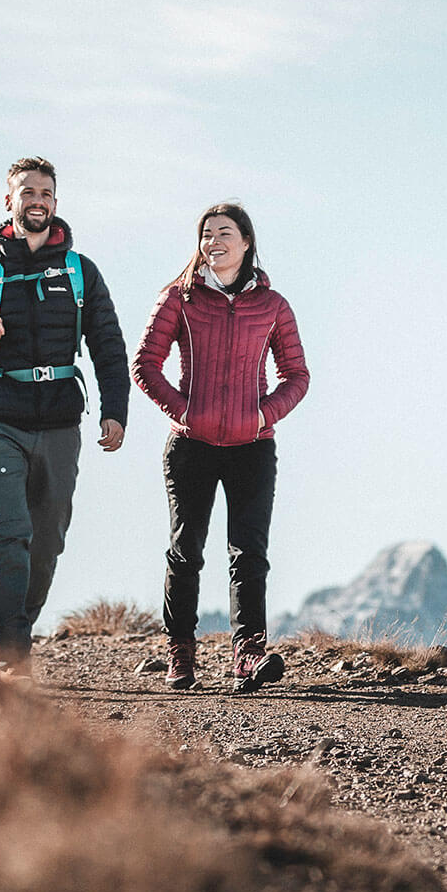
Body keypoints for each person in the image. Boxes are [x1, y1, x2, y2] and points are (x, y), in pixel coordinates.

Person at [0, 158, 129, 677]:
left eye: (45, 192)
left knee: (47, 540)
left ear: (55, 203)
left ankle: (19, 626)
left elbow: (107, 346)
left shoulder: (81, 271)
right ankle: (11, 654)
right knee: (7, 531)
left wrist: (115, 412)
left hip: (61, 421)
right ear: (8, 201)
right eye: (26, 192)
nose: (36, 200)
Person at [133, 201, 309, 693]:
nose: (214, 242)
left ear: (247, 242)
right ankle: (180, 654)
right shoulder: (180, 298)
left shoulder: (273, 306)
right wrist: (184, 413)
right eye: (206, 234)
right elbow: (145, 363)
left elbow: (297, 376)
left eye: (224, 232)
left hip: (253, 447)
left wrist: (262, 415)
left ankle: (248, 654)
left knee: (249, 552)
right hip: (191, 446)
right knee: (185, 550)